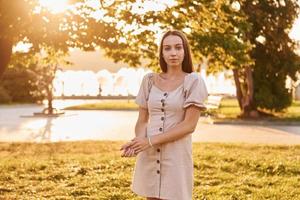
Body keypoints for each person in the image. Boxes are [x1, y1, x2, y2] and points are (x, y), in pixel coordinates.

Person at [120, 30, 208, 200]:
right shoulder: (149, 80)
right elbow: (142, 120)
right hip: (149, 153)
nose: (173, 53)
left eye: (178, 47)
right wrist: (138, 141)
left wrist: (150, 141)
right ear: (161, 52)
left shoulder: (194, 81)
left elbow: (189, 125)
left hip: (176, 156)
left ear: (185, 51)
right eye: (167, 48)